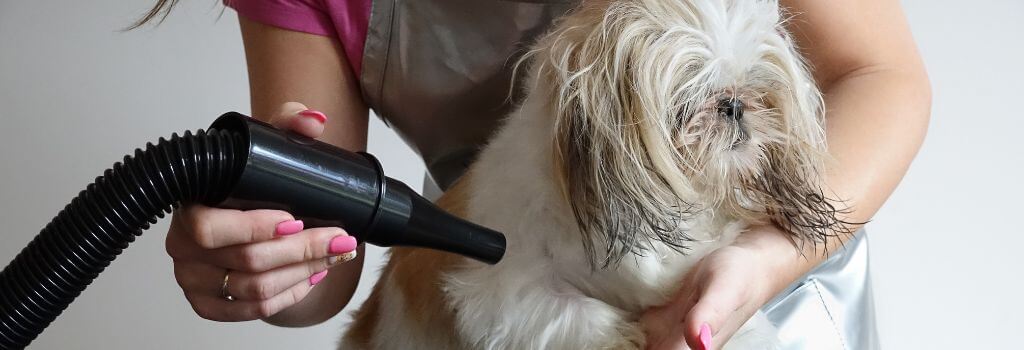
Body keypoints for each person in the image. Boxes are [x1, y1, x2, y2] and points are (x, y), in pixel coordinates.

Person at [147, 0, 931, 348]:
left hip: (762, 264)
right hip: (501, 296)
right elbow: (321, 269)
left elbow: (881, 75)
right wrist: (261, 261)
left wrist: (764, 261)